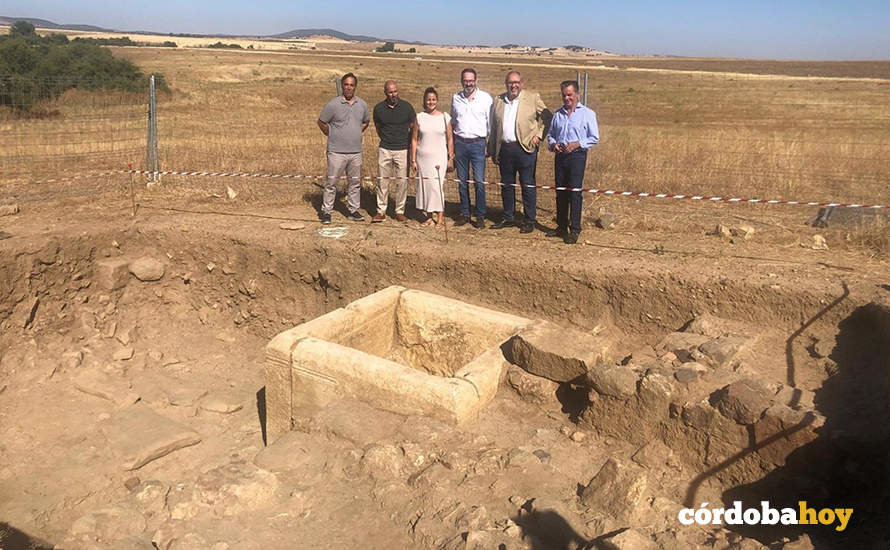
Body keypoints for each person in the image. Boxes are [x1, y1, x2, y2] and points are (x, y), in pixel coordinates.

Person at [488, 70, 552, 233]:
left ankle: (529, 220)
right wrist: (493, 148)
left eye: (516, 82)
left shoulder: (532, 98)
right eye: (510, 82)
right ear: (506, 84)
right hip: (505, 149)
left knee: (527, 185)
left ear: (521, 84)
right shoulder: (498, 101)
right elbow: (494, 127)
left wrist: (538, 137)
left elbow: (548, 118)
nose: (513, 85)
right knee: (507, 185)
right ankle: (508, 217)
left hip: (525, 149)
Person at [546, 80, 599, 244]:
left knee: (574, 193)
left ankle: (575, 229)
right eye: (564, 95)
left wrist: (577, 144)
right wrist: (554, 145)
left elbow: (594, 138)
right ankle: (561, 226)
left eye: (569, 94)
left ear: (577, 94)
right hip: (560, 157)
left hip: (577, 156)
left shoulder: (588, 114)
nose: (566, 98)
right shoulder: (558, 114)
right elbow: (550, 135)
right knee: (560, 192)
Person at [317, 72, 370, 224]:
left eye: (351, 85)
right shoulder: (333, 104)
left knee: (354, 183)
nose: (348, 87)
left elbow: (366, 121)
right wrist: (331, 133)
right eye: (346, 84)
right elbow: (321, 122)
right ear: (342, 86)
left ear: (355, 87)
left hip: (355, 152)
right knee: (331, 183)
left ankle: (353, 210)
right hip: (336, 152)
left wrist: (356, 132)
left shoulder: (362, 105)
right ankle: (326, 212)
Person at [450, 68, 493, 229]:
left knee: (479, 182)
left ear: (476, 80)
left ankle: (480, 215)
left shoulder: (486, 99)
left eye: (471, 80)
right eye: (465, 80)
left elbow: (491, 125)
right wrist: (452, 145)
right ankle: (465, 214)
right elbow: (453, 121)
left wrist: (488, 144)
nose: (468, 83)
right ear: (462, 81)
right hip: (460, 143)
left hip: (478, 144)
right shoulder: (456, 98)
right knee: (462, 182)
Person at [372, 80, 415, 223]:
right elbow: (378, 127)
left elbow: (413, 127)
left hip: (402, 149)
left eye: (395, 91)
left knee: (402, 182)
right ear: (385, 92)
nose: (393, 94)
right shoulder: (379, 109)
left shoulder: (407, 108)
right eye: (390, 92)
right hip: (385, 148)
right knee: (382, 181)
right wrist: (387, 140)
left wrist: (407, 143)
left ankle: (399, 211)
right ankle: (381, 211)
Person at [411, 87, 454, 228]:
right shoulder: (419, 117)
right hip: (423, 158)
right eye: (428, 99)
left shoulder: (444, 117)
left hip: (439, 158)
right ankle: (429, 216)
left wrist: (450, 158)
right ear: (424, 101)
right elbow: (414, 139)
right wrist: (413, 159)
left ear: (437, 100)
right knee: (426, 187)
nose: (431, 102)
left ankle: (440, 218)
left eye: (433, 99)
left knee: (436, 187)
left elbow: (450, 139)